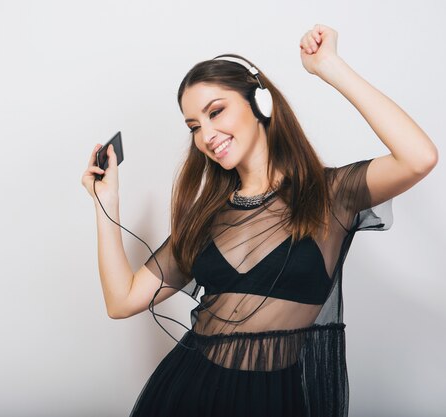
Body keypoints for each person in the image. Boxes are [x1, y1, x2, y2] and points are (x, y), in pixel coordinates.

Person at [81, 24, 438, 417]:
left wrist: (329, 67)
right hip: (186, 391)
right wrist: (106, 202)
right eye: (195, 127)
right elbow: (122, 300)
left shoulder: (331, 193)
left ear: (260, 104)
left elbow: (419, 157)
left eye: (216, 112)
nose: (207, 135)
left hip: (273, 402)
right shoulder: (206, 219)